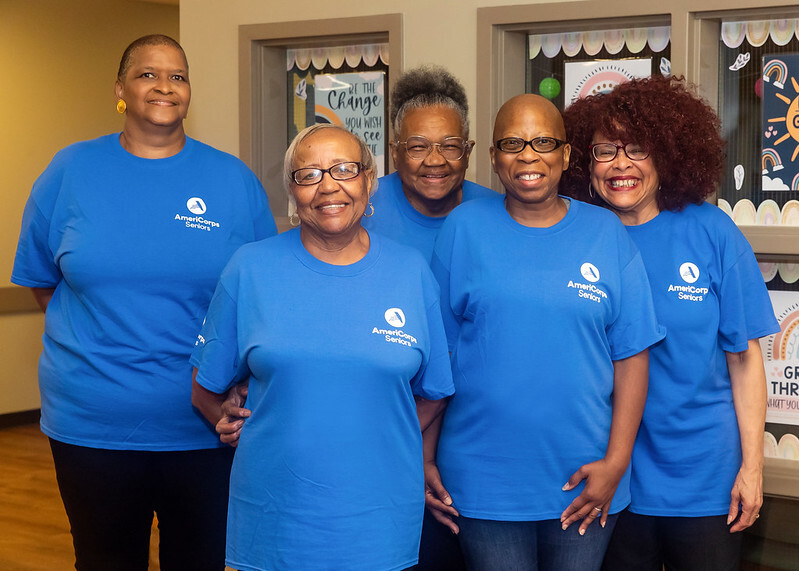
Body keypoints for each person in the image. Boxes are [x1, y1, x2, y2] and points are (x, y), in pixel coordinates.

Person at [11, 34, 276, 571]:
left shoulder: (230, 180)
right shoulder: (71, 172)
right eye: (148, 74)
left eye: (177, 76)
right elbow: (44, 281)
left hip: (205, 426)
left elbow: (261, 295)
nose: (164, 86)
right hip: (93, 426)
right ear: (120, 89)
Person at [190, 123, 454, 571]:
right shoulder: (249, 269)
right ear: (293, 193)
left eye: (344, 170)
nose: (328, 186)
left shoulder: (410, 272)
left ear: (369, 181)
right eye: (309, 174)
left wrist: (377, 434)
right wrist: (227, 420)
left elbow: (436, 390)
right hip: (275, 517)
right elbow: (205, 386)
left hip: (378, 516)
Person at [424, 93, 664, 571]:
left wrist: (616, 463)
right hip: (481, 478)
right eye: (512, 142)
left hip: (585, 477)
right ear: (492, 158)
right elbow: (438, 359)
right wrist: (423, 459)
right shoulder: (463, 228)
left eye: (543, 142)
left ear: (566, 155)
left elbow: (632, 356)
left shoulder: (605, 233)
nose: (528, 155)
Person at [561, 74, 779, 571]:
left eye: (637, 148)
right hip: (609, 479)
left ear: (668, 155)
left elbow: (744, 363)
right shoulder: (573, 237)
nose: (621, 164)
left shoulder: (711, 231)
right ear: (583, 162)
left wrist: (752, 467)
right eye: (604, 151)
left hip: (704, 477)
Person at [362, 65, 496, 262]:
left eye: (450, 146)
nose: (435, 160)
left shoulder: (494, 213)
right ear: (395, 153)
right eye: (418, 147)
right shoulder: (361, 209)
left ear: (468, 152)